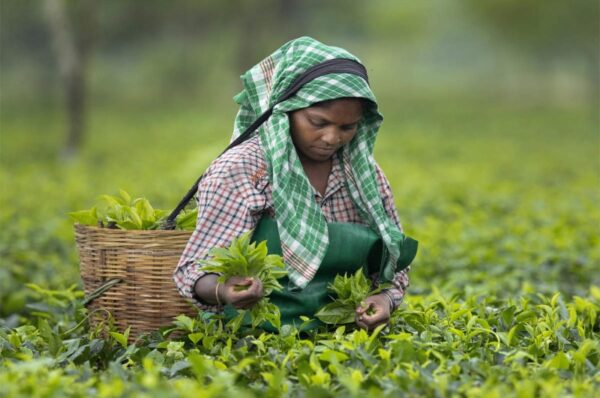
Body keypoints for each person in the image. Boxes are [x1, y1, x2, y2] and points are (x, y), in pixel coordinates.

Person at [173, 37, 417, 331]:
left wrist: (385, 299)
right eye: (318, 122)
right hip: (252, 339)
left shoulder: (365, 176)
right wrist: (223, 290)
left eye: (347, 127)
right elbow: (195, 269)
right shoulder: (244, 170)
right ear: (285, 110)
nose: (332, 138)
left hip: (344, 337)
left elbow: (392, 265)